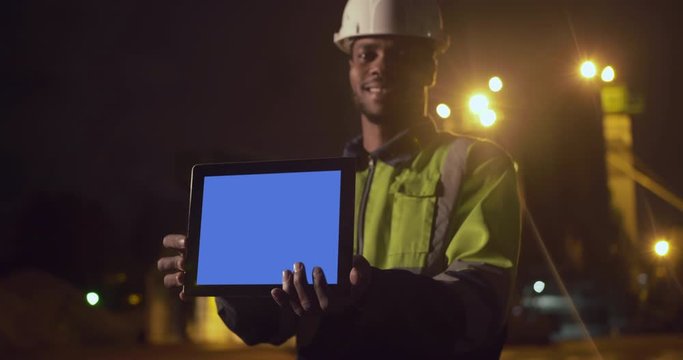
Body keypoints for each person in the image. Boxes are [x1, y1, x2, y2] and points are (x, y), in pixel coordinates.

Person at [158, 0, 521, 358]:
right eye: (367, 54)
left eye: (401, 54)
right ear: (350, 66)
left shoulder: (477, 163)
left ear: (430, 68)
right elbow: (274, 323)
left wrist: (370, 292)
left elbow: (480, 305)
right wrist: (224, 277)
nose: (381, 67)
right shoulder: (321, 185)